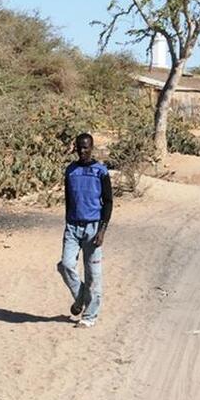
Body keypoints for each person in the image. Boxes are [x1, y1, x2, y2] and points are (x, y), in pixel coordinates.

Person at [58, 132, 112, 328]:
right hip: (72, 227)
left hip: (93, 227)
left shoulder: (100, 171)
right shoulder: (70, 171)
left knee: (93, 275)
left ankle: (89, 317)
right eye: (79, 147)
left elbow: (108, 202)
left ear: (92, 147)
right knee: (65, 265)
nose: (83, 151)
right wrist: (68, 222)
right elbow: (68, 199)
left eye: (86, 147)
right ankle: (81, 297)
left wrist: (102, 230)